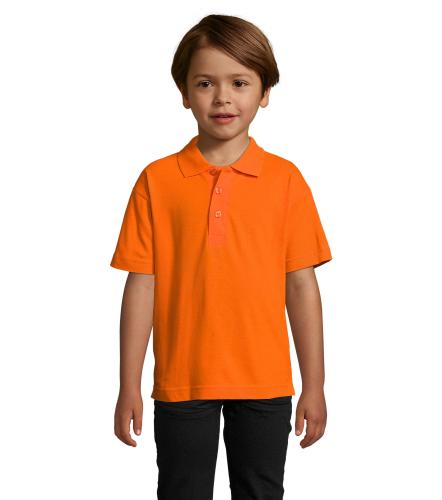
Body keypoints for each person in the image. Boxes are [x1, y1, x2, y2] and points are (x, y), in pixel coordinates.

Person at [110, 13, 333, 500]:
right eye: (205, 83)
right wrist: (129, 384)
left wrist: (314, 384)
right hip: (182, 381)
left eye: (240, 82)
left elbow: (301, 286)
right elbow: (141, 285)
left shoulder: (286, 181)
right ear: (184, 92)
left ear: (265, 92)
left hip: (265, 382)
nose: (223, 98)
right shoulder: (156, 181)